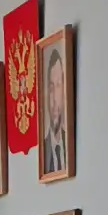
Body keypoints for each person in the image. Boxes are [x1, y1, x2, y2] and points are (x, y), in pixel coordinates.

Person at [41, 45, 70, 176]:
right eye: (51, 87)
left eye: (58, 86)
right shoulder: (43, 150)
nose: (54, 98)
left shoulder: (71, 146)